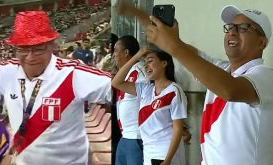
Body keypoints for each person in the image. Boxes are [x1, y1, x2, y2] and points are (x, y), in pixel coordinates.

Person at [0, 11, 111, 165]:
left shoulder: (73, 73)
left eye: (38, 49)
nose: (30, 57)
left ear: (52, 46)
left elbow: (123, 90)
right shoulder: (7, 72)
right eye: (23, 49)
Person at [143, 5, 273, 165]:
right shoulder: (221, 70)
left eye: (243, 28)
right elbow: (196, 59)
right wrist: (175, 40)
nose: (232, 32)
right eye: (230, 27)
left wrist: (173, 46)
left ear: (261, 42)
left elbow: (230, 90)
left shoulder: (266, 76)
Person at [112, 47, 187, 165]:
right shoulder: (145, 89)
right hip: (148, 154)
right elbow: (116, 82)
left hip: (165, 154)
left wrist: (167, 161)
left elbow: (178, 129)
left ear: (164, 63)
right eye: (145, 62)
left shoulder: (174, 90)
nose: (146, 65)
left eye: (150, 61)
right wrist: (136, 57)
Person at [113, 35, 146, 165]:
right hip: (125, 136)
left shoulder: (140, 71)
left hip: (137, 136)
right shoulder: (125, 72)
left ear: (126, 52)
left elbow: (151, 97)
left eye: (116, 50)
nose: (114, 54)